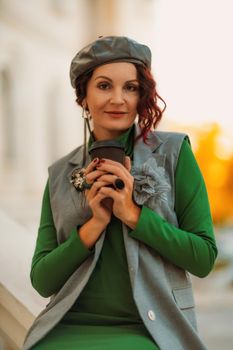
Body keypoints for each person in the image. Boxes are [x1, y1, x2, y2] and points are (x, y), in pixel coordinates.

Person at [22, 36, 217, 350]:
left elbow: (204, 258)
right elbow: (43, 281)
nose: (118, 99)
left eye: (131, 87)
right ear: (82, 97)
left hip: (150, 328)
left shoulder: (174, 153)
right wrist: (93, 226)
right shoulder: (60, 173)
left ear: (142, 95)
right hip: (69, 324)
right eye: (103, 86)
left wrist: (133, 215)